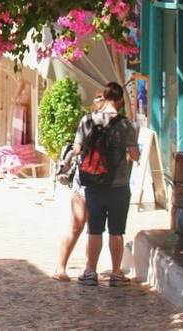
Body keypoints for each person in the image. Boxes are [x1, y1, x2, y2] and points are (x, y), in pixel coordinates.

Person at [71, 82, 139, 286]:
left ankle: (90, 272)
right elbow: (134, 155)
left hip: (94, 184)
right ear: (119, 101)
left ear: (105, 97)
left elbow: (76, 149)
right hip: (118, 185)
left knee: (94, 230)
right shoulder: (127, 125)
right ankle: (116, 274)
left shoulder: (87, 121)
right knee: (116, 231)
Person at [51, 93, 103, 281]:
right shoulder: (88, 122)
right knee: (78, 226)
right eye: (98, 100)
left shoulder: (110, 126)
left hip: (98, 184)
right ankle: (62, 267)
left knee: (91, 228)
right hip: (86, 182)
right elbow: (77, 148)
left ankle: (88, 270)